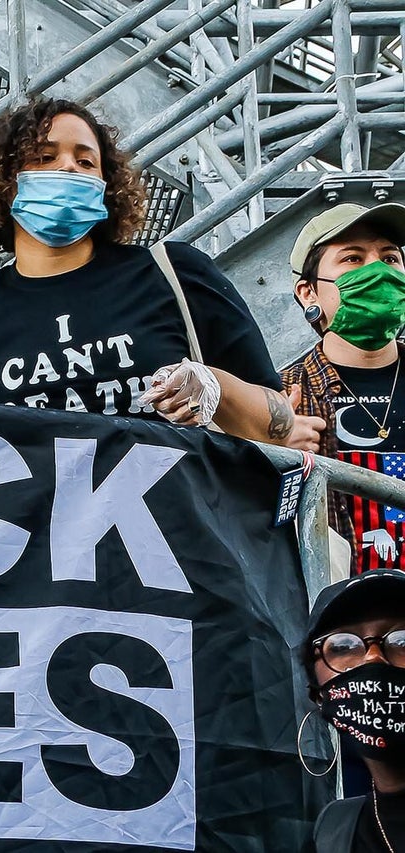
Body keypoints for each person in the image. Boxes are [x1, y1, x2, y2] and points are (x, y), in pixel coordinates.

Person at [0, 98, 294, 443]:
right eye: (44, 157)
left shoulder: (174, 274)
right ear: (4, 183)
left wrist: (215, 386)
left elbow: (278, 428)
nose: (67, 167)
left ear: (106, 185)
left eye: (85, 161)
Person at [282, 203, 405, 573]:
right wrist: (275, 454)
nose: (378, 271)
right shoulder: (284, 395)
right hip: (342, 617)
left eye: (390, 258)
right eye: (352, 259)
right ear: (308, 293)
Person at [304, 569, 405, 852]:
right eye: (343, 646)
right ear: (318, 695)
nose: (374, 657)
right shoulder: (332, 833)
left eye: (402, 641)